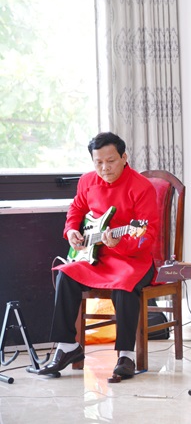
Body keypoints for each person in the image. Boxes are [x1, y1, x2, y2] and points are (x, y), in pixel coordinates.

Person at [38, 132, 159, 379]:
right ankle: (67, 347)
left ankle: (126, 355)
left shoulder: (141, 187)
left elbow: (147, 235)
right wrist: (71, 230)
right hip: (96, 257)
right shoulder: (87, 181)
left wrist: (119, 243)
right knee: (66, 274)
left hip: (133, 259)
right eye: (98, 162)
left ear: (124, 157)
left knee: (124, 284)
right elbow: (77, 208)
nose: (104, 168)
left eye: (111, 161)